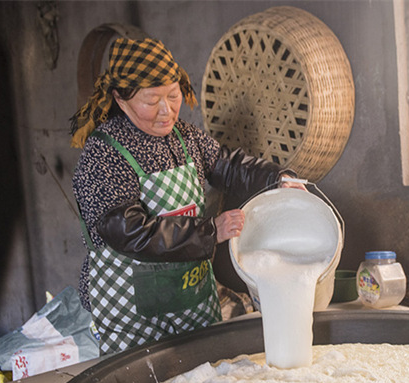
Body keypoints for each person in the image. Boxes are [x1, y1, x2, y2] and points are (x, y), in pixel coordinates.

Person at [70, 37, 302, 355]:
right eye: (152, 101)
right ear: (121, 100)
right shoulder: (105, 153)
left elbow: (229, 166)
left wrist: (278, 178)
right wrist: (211, 230)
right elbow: (127, 230)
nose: (167, 110)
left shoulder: (186, 137)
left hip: (191, 297)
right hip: (132, 311)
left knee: (204, 380)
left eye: (174, 95)